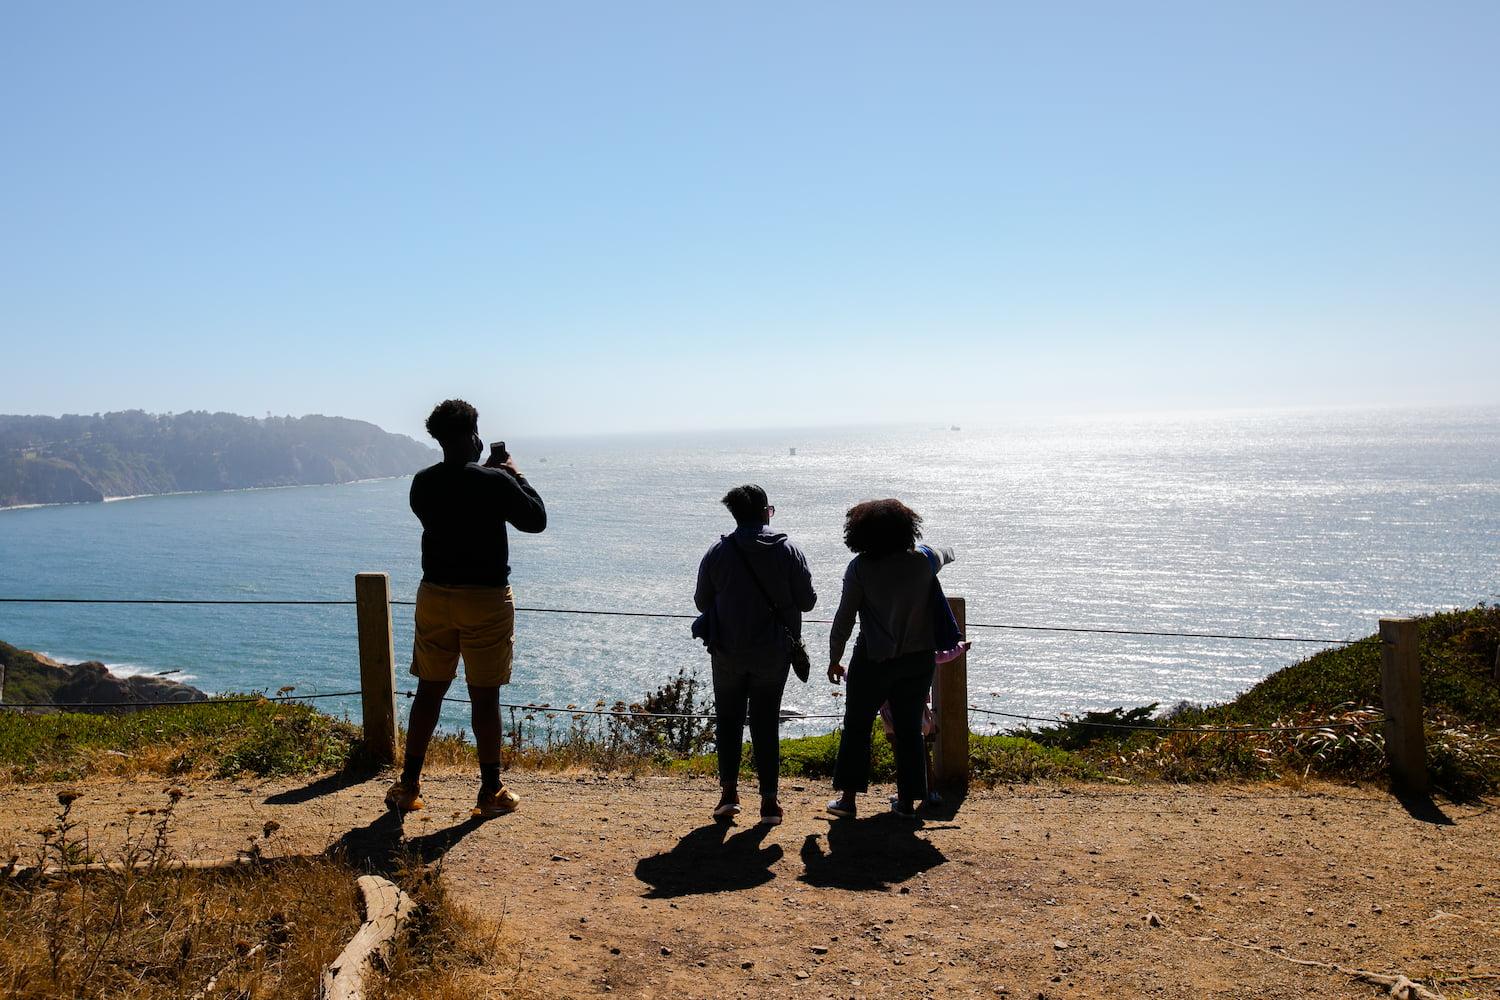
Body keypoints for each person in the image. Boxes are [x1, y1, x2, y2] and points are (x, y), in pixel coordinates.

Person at [385, 399, 546, 818]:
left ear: (439, 439)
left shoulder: (422, 483)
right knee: (484, 696)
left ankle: (408, 786)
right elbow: (536, 519)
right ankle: (490, 791)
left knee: (429, 691)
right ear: (473, 435)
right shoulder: (494, 481)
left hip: (435, 594)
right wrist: (513, 473)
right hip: (485, 598)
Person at [694, 484, 817, 826]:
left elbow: (702, 602)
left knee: (728, 720)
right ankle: (769, 803)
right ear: (766, 511)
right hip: (773, 652)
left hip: (727, 651)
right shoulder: (788, 550)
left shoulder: (717, 552)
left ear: (734, 514)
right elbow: (807, 601)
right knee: (766, 722)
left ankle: (729, 795)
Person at [826, 499, 954, 819]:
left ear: (859, 533)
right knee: (910, 729)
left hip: (873, 659)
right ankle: (908, 803)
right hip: (918, 659)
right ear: (908, 528)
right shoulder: (923, 560)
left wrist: (834, 657)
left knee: (857, 725)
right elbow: (947, 553)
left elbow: (844, 618)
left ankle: (848, 800)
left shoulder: (860, 568)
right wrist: (947, 551)